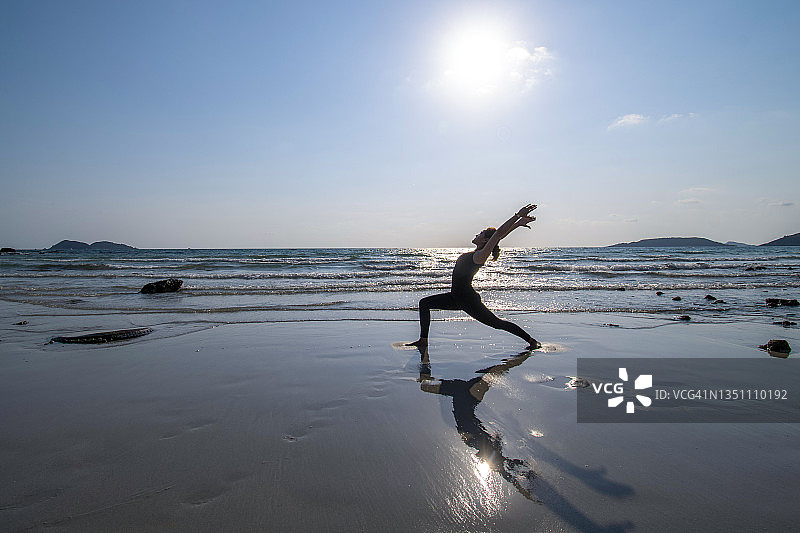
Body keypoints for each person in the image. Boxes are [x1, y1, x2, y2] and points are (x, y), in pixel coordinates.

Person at [407, 204, 539, 349]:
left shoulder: (479, 256)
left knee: (497, 323)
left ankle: (531, 340)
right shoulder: (477, 253)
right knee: (424, 303)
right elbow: (497, 237)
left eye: (481, 233)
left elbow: (498, 235)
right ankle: (423, 340)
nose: (478, 234)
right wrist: (518, 224)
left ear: (484, 240)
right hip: (455, 297)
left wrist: (517, 215)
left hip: (468, 300)